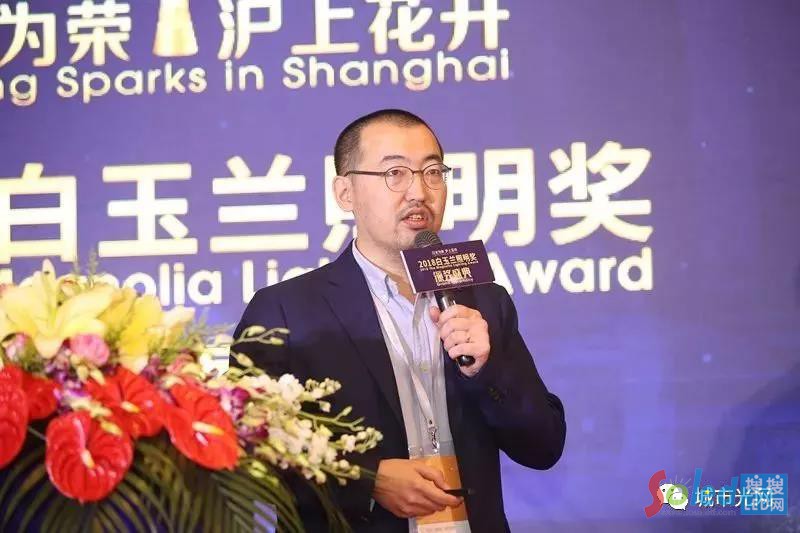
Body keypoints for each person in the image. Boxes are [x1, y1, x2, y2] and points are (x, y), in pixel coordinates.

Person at [233, 109, 566, 532]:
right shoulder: (284, 310)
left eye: (432, 172)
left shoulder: (483, 301)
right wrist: (366, 479)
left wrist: (487, 370)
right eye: (395, 173)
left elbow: (543, 446)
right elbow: (250, 456)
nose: (419, 192)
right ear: (345, 192)